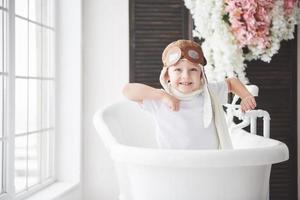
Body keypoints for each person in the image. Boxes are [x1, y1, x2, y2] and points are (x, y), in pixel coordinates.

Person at [122, 39, 256, 150]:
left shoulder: (209, 92)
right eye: (178, 70)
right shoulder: (161, 100)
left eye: (192, 69)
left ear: (201, 74)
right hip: (173, 164)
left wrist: (246, 96)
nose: (185, 76)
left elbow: (232, 82)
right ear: (167, 74)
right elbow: (127, 90)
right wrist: (162, 96)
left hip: (208, 163)